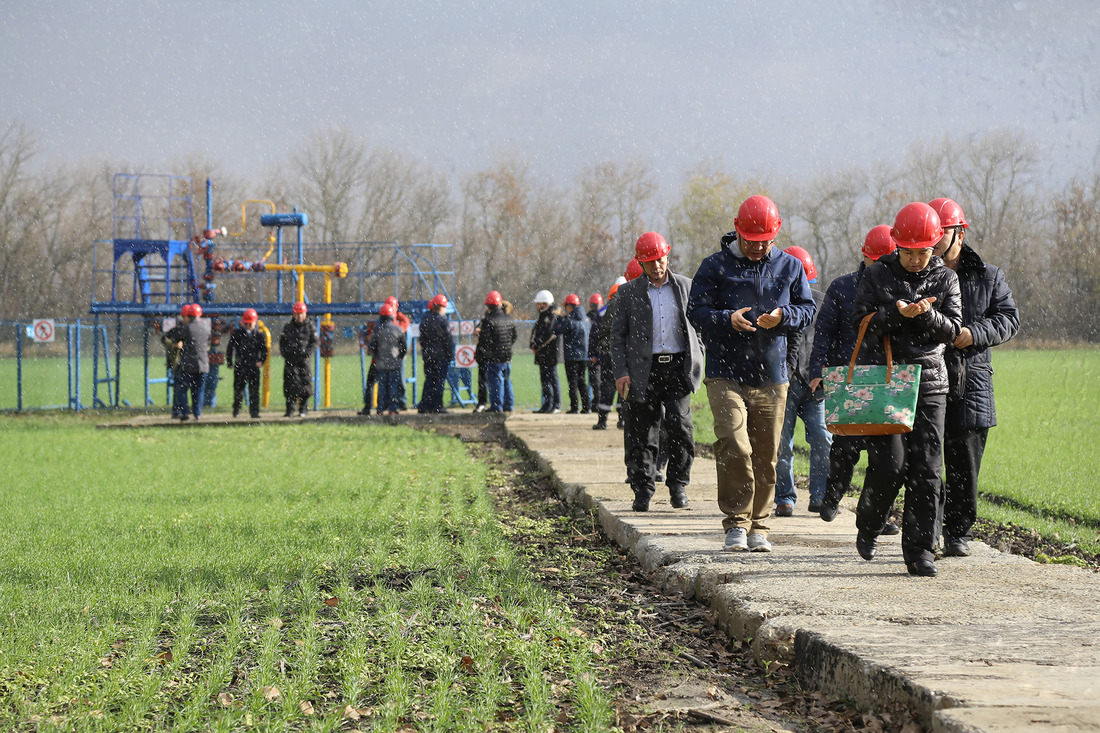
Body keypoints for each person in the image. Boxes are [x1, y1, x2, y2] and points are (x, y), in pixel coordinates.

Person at [687, 195, 817, 552]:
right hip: (724, 371)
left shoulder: (790, 267)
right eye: (750, 241)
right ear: (737, 230)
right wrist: (724, 319)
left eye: (765, 242)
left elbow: (807, 310)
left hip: (772, 374)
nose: (758, 248)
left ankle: (759, 525)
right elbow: (695, 310)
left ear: (775, 235)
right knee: (733, 443)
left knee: (766, 453)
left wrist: (783, 317)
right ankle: (735, 522)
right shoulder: (715, 266)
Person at [851, 202, 962, 578]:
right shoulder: (877, 275)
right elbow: (860, 323)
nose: (916, 260)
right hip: (887, 381)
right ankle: (868, 523)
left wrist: (927, 316)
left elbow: (955, 330)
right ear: (896, 245)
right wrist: (896, 315)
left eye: (924, 252)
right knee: (889, 465)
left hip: (930, 383)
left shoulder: (946, 279)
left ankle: (920, 552)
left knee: (927, 469)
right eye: (908, 252)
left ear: (935, 248)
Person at [929, 197, 1020, 558]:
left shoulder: (989, 275)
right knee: (927, 460)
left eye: (942, 233)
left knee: (964, 462)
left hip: (972, 380)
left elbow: (1009, 319)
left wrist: (974, 333)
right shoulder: (916, 274)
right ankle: (928, 531)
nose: (934, 240)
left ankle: (958, 532)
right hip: (928, 377)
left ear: (959, 234)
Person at [813, 225, 900, 531]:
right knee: (844, 449)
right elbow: (823, 332)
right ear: (864, 255)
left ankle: (879, 515)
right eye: (875, 260)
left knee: (885, 457)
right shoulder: (842, 287)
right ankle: (833, 495)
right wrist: (816, 372)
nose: (879, 267)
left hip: (886, 380)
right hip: (849, 379)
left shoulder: (899, 288)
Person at [610, 231, 704, 512]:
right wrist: (621, 371)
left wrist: (698, 355)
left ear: (668, 256)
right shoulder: (628, 294)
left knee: (680, 427)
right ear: (639, 262)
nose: (656, 266)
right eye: (649, 261)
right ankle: (643, 489)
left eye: (660, 260)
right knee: (642, 432)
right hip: (643, 371)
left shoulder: (686, 287)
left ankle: (678, 485)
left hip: (677, 368)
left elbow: (698, 328)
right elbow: (617, 338)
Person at [773, 245, 833, 516]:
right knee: (780, 442)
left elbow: (832, 340)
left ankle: (819, 495)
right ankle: (784, 497)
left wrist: (824, 373)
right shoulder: (775, 304)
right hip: (782, 383)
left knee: (822, 437)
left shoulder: (824, 303)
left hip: (815, 385)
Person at [163, 303, 212, 421]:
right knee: (199, 391)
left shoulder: (185, 328)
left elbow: (172, 337)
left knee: (181, 389)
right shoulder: (206, 329)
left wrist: (176, 344)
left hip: (188, 365)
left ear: (188, 316)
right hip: (203, 365)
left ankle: (184, 412)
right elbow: (208, 343)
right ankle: (197, 414)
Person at [477, 290, 518, 412]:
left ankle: (496, 406)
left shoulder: (488, 321)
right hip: (507, 355)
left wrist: (485, 352)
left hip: (494, 356)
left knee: (495, 381)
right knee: (506, 380)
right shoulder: (509, 319)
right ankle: (509, 405)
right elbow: (514, 336)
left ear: (488, 306)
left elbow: (484, 340)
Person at [225, 308, 267, 418]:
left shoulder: (259, 336)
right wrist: (229, 362)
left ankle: (254, 412)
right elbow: (230, 348)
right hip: (241, 366)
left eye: (250, 323)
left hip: (253, 367)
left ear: (255, 322)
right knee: (238, 391)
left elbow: (264, 351)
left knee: (254, 391)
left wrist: (261, 361)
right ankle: (236, 411)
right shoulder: (237, 334)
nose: (248, 326)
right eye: (246, 324)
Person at [278, 301, 317, 417]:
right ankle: (290, 409)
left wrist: (307, 354)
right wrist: (286, 354)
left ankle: (303, 409)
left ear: (305, 313)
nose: (299, 316)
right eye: (297, 313)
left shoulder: (310, 326)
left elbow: (315, 342)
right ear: (293, 314)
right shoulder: (288, 327)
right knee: (290, 386)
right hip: (290, 361)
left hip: (304, 362)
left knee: (305, 385)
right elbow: (282, 343)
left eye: (301, 313)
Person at [368, 302, 408, 414]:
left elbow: (372, 346)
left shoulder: (377, 329)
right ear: (392, 316)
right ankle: (393, 409)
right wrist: (400, 357)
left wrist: (377, 356)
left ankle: (380, 408)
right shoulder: (398, 329)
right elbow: (404, 347)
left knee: (382, 386)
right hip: (395, 363)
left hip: (381, 363)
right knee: (393, 386)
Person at [418, 293, 454, 414]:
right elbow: (448, 340)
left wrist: (426, 351)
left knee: (429, 380)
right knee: (439, 381)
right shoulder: (443, 321)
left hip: (428, 355)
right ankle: (437, 406)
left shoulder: (425, 321)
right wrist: (449, 354)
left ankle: (425, 405)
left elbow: (422, 340)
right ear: (442, 307)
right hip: (440, 356)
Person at [557, 293, 592, 413]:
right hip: (584, 355)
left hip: (572, 356)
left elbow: (556, 330)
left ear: (570, 306)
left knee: (572, 383)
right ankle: (587, 407)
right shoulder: (587, 320)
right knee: (582, 382)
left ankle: (574, 407)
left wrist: (559, 318)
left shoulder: (569, 320)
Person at [530, 289, 562, 413]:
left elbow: (549, 334)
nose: (537, 306)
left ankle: (556, 405)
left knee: (552, 379)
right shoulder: (544, 315)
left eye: (539, 304)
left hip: (550, 354)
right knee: (545, 380)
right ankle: (547, 404)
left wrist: (537, 345)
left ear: (545, 303)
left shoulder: (552, 316)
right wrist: (532, 344)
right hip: (543, 354)